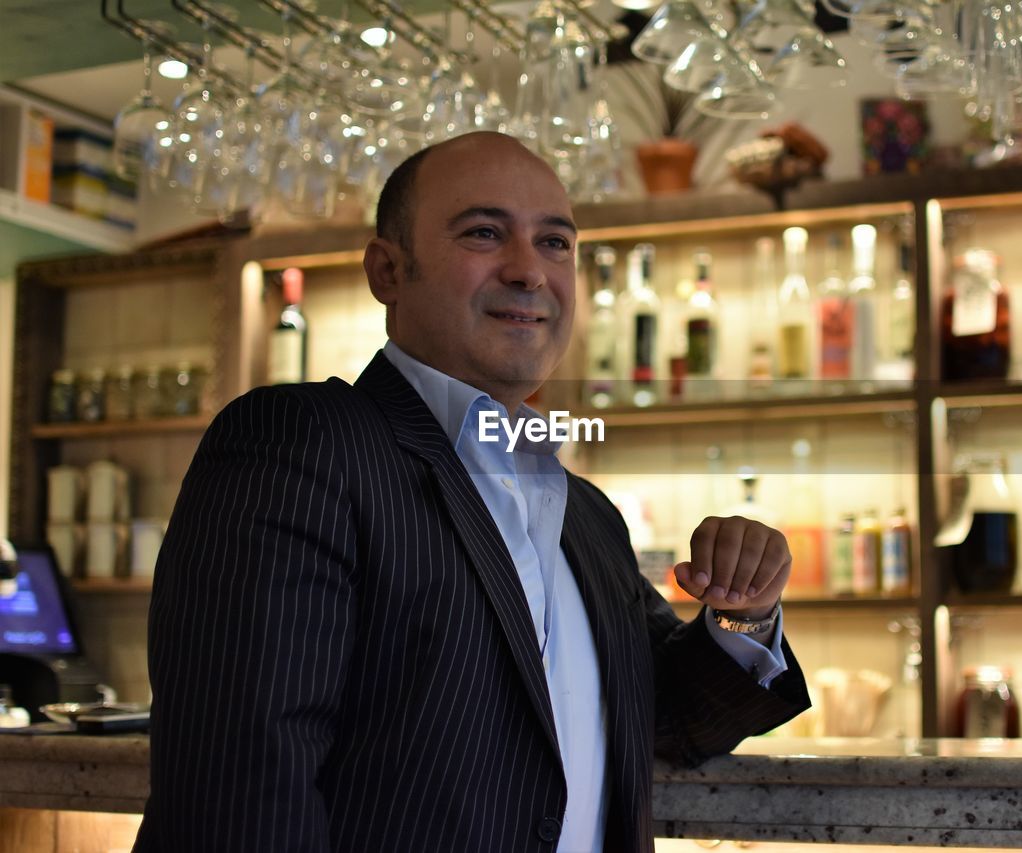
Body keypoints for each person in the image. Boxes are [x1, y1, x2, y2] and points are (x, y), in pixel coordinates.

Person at [135, 131, 809, 853]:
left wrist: (746, 615)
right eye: (485, 233)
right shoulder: (299, 442)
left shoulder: (586, 512)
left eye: (555, 243)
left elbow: (669, 720)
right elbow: (241, 786)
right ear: (387, 270)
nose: (529, 271)